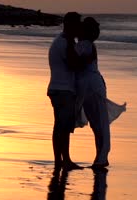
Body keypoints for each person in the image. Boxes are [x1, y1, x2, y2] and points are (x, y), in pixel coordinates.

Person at [74, 17, 126, 168]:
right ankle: (100, 156)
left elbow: (76, 64)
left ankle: (101, 157)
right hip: (91, 86)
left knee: (99, 124)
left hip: (91, 86)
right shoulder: (86, 45)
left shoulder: (85, 46)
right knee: (98, 124)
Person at [47, 12, 84, 170]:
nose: (79, 28)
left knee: (60, 126)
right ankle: (64, 160)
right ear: (70, 25)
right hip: (63, 90)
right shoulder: (65, 43)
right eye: (77, 25)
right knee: (63, 127)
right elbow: (74, 64)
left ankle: (61, 160)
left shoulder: (59, 41)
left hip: (57, 88)